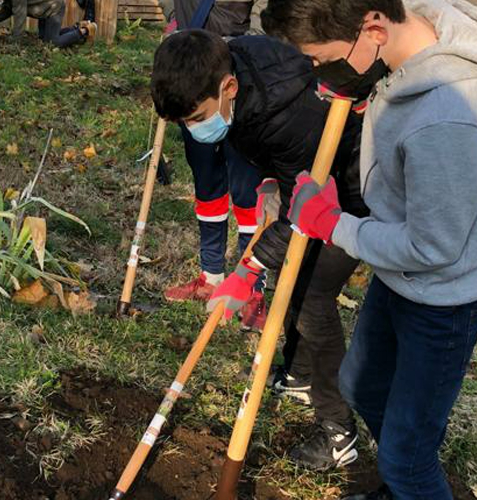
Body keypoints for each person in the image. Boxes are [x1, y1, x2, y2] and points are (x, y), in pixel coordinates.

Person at [263, 0, 477, 497]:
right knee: (361, 385)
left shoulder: (446, 118)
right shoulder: (405, 41)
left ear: (373, 28)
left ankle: (409, 475)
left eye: (319, 58)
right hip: (401, 275)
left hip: (447, 296)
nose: (316, 73)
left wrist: (334, 225)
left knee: (406, 454)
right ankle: (407, 477)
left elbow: (432, 248)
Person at [152, 29, 373, 470]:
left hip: (353, 191)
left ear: (228, 87)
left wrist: (248, 268)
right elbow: (275, 164)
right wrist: (272, 178)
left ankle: (338, 431)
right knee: (294, 282)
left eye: (197, 117)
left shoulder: (289, 115)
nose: (194, 130)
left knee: (312, 295)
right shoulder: (233, 69)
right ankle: (298, 374)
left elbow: (302, 213)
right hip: (306, 176)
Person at [158, 0, 269, 332]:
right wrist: (176, 27)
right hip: (191, 78)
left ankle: (251, 288)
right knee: (207, 185)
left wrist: (245, 48)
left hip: (235, 77)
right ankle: (211, 275)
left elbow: (264, 8)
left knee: (248, 192)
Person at [0, 0, 95, 48]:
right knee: (44, 38)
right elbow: (8, 10)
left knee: (52, 43)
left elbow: (20, 18)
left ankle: (85, 31)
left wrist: (15, 42)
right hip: (43, 11)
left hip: (53, 9)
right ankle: (76, 27)